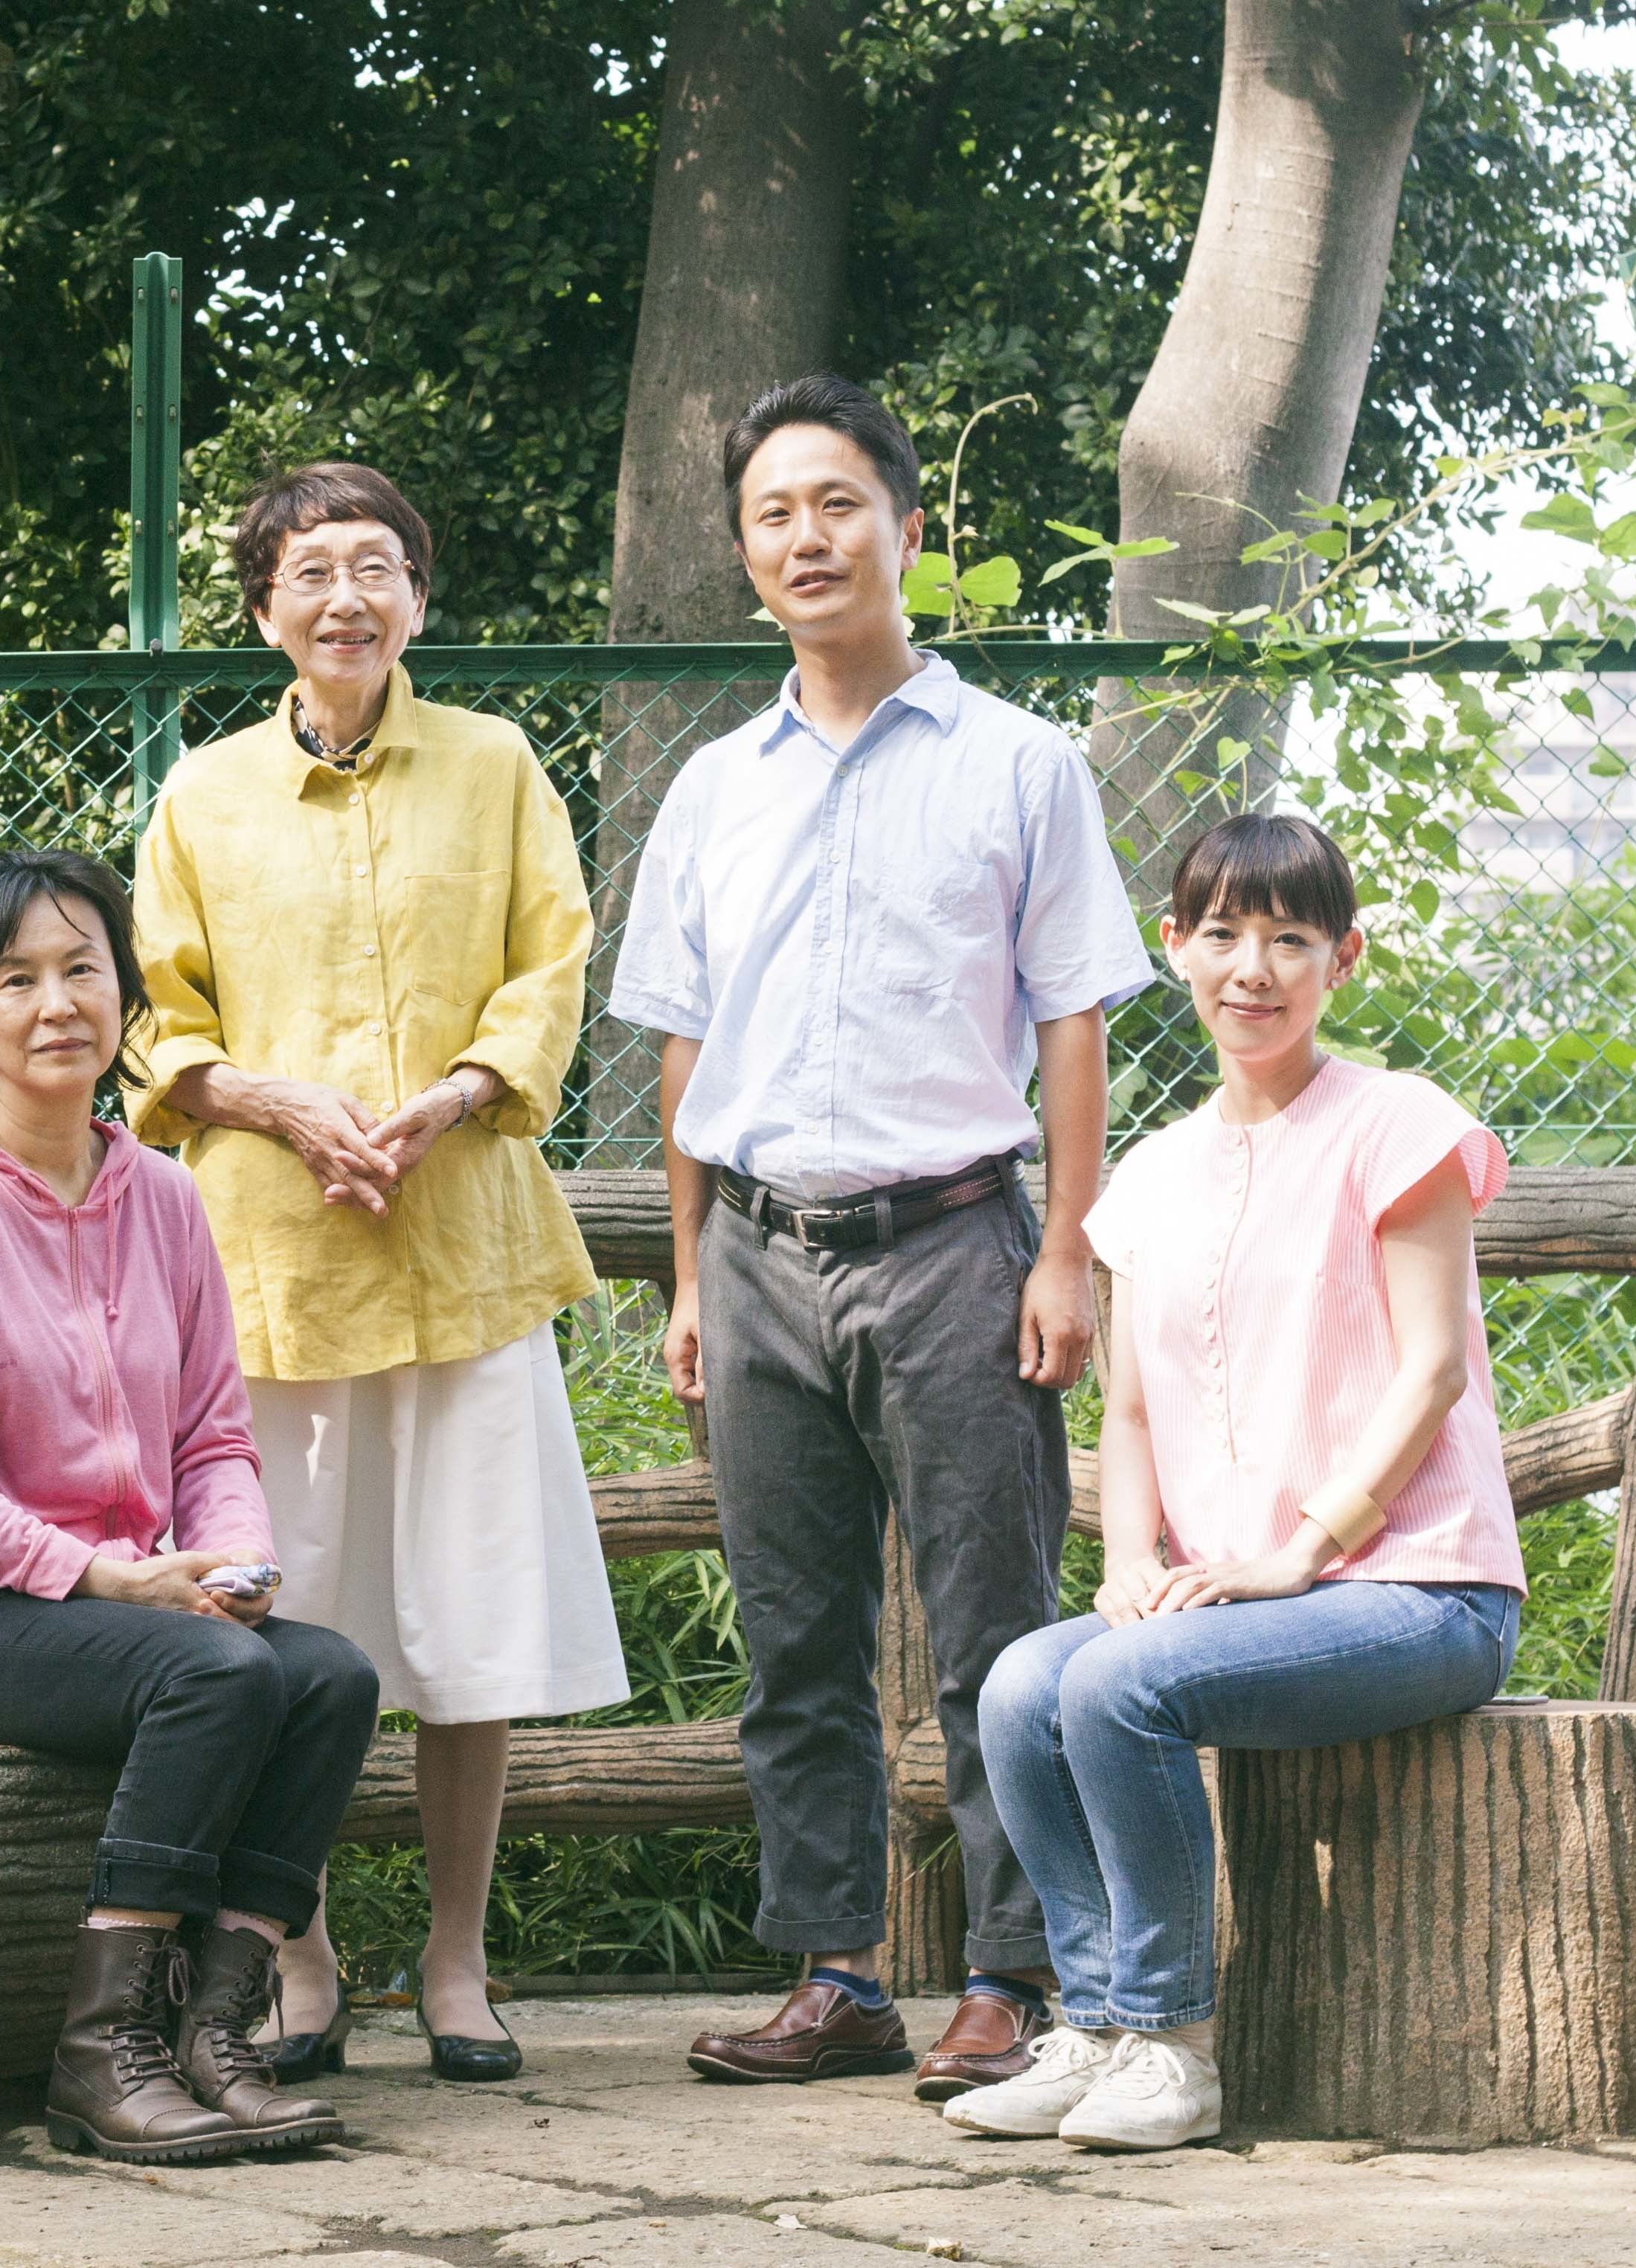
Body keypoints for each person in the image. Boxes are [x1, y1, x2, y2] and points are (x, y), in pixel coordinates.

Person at [606, 373, 1155, 2098]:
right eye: (773, 514)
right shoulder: (713, 787)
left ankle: (1009, 1974)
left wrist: (1065, 1255)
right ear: (746, 554)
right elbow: (683, 1044)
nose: (806, 538)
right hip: (755, 1257)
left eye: (836, 503)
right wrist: (689, 1275)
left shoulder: (1019, 761)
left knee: (996, 1632)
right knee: (795, 1640)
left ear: (906, 531)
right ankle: (836, 1974)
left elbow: (1072, 1018)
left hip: (955, 1245)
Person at [127, 462, 627, 2084]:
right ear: (263, 608)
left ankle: (460, 1961)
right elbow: (158, 1015)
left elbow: (550, 963)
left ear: (418, 595)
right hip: (269, 1272)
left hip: (461, 1246)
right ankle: (299, 1954)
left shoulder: (495, 764)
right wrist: (269, 1102)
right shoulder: (199, 794)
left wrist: (459, 1095)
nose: (344, 596)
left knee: (471, 1625)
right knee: (290, 1629)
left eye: (376, 565)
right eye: (310, 570)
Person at [947, 813, 1527, 2151]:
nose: (1251, 967)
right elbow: (1131, 1404)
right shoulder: (1151, 1174)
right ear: (1174, 946)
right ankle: (1094, 2025)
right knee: (1022, 1684)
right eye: (1220, 934)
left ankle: (1170, 2046)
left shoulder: (1397, 1125)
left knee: (1117, 1685)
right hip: (1241, 1601)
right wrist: (1128, 1559)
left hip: (1419, 1592)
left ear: (1342, 959)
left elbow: (1432, 1369)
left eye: (1288, 938)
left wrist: (1300, 1549)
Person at [0, 849, 384, 2165]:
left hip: (123, 1605)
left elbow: (212, 1435)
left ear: (125, 991)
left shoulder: (167, 1195)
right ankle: (102, 2048)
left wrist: (232, 1561)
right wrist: (103, 1577)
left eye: (82, 968)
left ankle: (216, 2034)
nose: (57, 1002)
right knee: (214, 1676)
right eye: (14, 978)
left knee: (328, 1675)